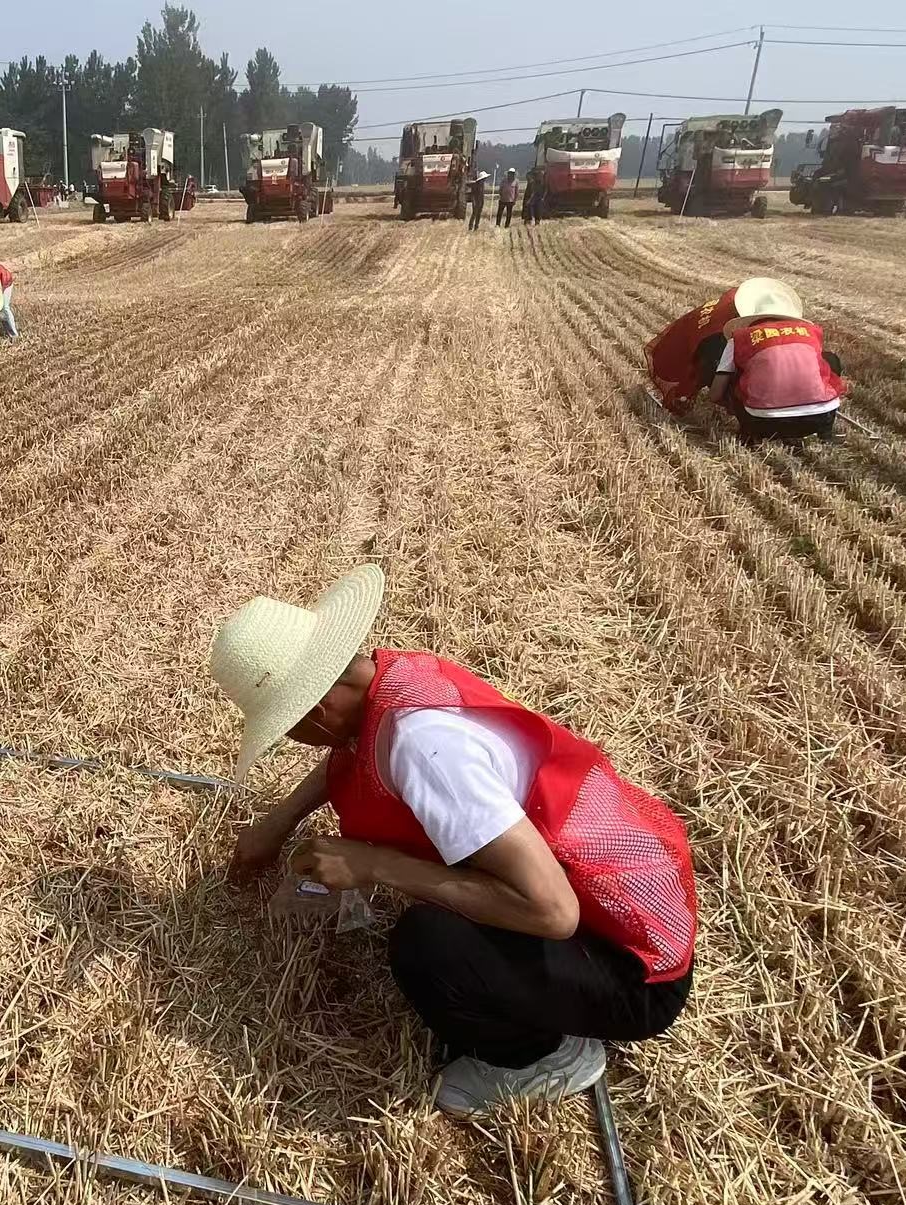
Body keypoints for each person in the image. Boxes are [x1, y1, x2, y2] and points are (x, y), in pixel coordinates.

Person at [209, 564, 696, 1118]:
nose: (295, 741)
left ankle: (544, 1058)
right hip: (620, 901)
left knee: (430, 945)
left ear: (317, 711)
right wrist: (276, 824)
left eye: (289, 728)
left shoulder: (425, 748)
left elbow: (553, 911)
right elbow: (349, 755)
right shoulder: (391, 683)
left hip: (633, 966)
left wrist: (375, 864)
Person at [707, 277, 846, 443]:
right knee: (829, 360)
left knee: (734, 373)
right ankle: (826, 433)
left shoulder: (739, 339)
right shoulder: (809, 333)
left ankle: (748, 435)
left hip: (762, 424)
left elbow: (716, 393)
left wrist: (728, 402)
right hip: (818, 421)